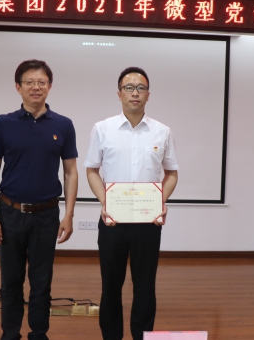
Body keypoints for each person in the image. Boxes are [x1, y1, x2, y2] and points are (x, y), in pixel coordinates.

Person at [0, 59, 78, 340]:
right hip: (9, 213)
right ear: (18, 87)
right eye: (29, 82)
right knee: (10, 281)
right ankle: (10, 334)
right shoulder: (3, 123)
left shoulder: (63, 125)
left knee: (42, 281)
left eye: (41, 82)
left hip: (47, 215)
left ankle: (39, 334)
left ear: (49, 86)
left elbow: (71, 172)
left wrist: (69, 215)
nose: (36, 87)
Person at [84, 67, 179, 340]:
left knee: (145, 286)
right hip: (112, 220)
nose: (134, 93)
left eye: (140, 88)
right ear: (119, 94)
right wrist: (105, 202)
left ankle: (142, 336)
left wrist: (161, 200)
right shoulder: (102, 129)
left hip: (148, 221)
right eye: (129, 88)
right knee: (110, 286)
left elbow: (172, 173)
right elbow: (92, 170)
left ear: (148, 94)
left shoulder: (162, 131)